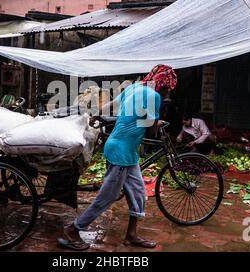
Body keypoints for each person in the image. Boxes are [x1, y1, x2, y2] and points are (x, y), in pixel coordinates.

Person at [57, 64, 177, 251]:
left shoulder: (134, 87)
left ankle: (131, 235)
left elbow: (115, 105)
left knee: (138, 193)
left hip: (127, 153)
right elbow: (151, 131)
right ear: (163, 84)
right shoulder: (155, 96)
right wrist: (158, 121)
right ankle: (73, 228)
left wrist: (97, 114)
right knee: (107, 197)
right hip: (121, 152)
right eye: (168, 88)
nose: (169, 91)